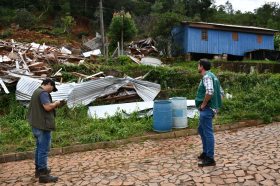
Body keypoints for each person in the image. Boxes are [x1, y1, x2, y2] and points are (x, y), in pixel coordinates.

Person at [27, 78, 62, 183]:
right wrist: (56, 103)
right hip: (43, 125)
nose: (51, 90)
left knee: (39, 148)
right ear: (48, 84)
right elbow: (47, 107)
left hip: (36, 125)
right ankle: (43, 174)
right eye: (52, 88)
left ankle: (39, 170)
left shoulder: (36, 92)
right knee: (44, 149)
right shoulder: (43, 93)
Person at [195, 59, 223, 167]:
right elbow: (221, 92)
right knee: (201, 130)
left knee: (207, 133)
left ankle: (210, 158)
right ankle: (206, 152)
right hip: (209, 108)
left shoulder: (207, 76)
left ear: (201, 66)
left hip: (206, 109)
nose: (197, 67)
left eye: (198, 65)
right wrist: (216, 106)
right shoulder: (213, 76)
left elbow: (210, 92)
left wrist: (204, 104)